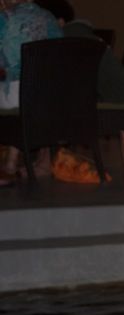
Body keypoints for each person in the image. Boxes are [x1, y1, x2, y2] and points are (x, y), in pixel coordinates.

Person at [0, 0, 62, 186]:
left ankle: (10, 165)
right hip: (45, 93)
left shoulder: (4, 19)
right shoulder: (47, 17)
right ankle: (14, 162)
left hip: (15, 95)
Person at [35, 0, 124, 103]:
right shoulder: (80, 35)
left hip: (109, 104)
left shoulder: (68, 41)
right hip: (113, 99)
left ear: (60, 22)